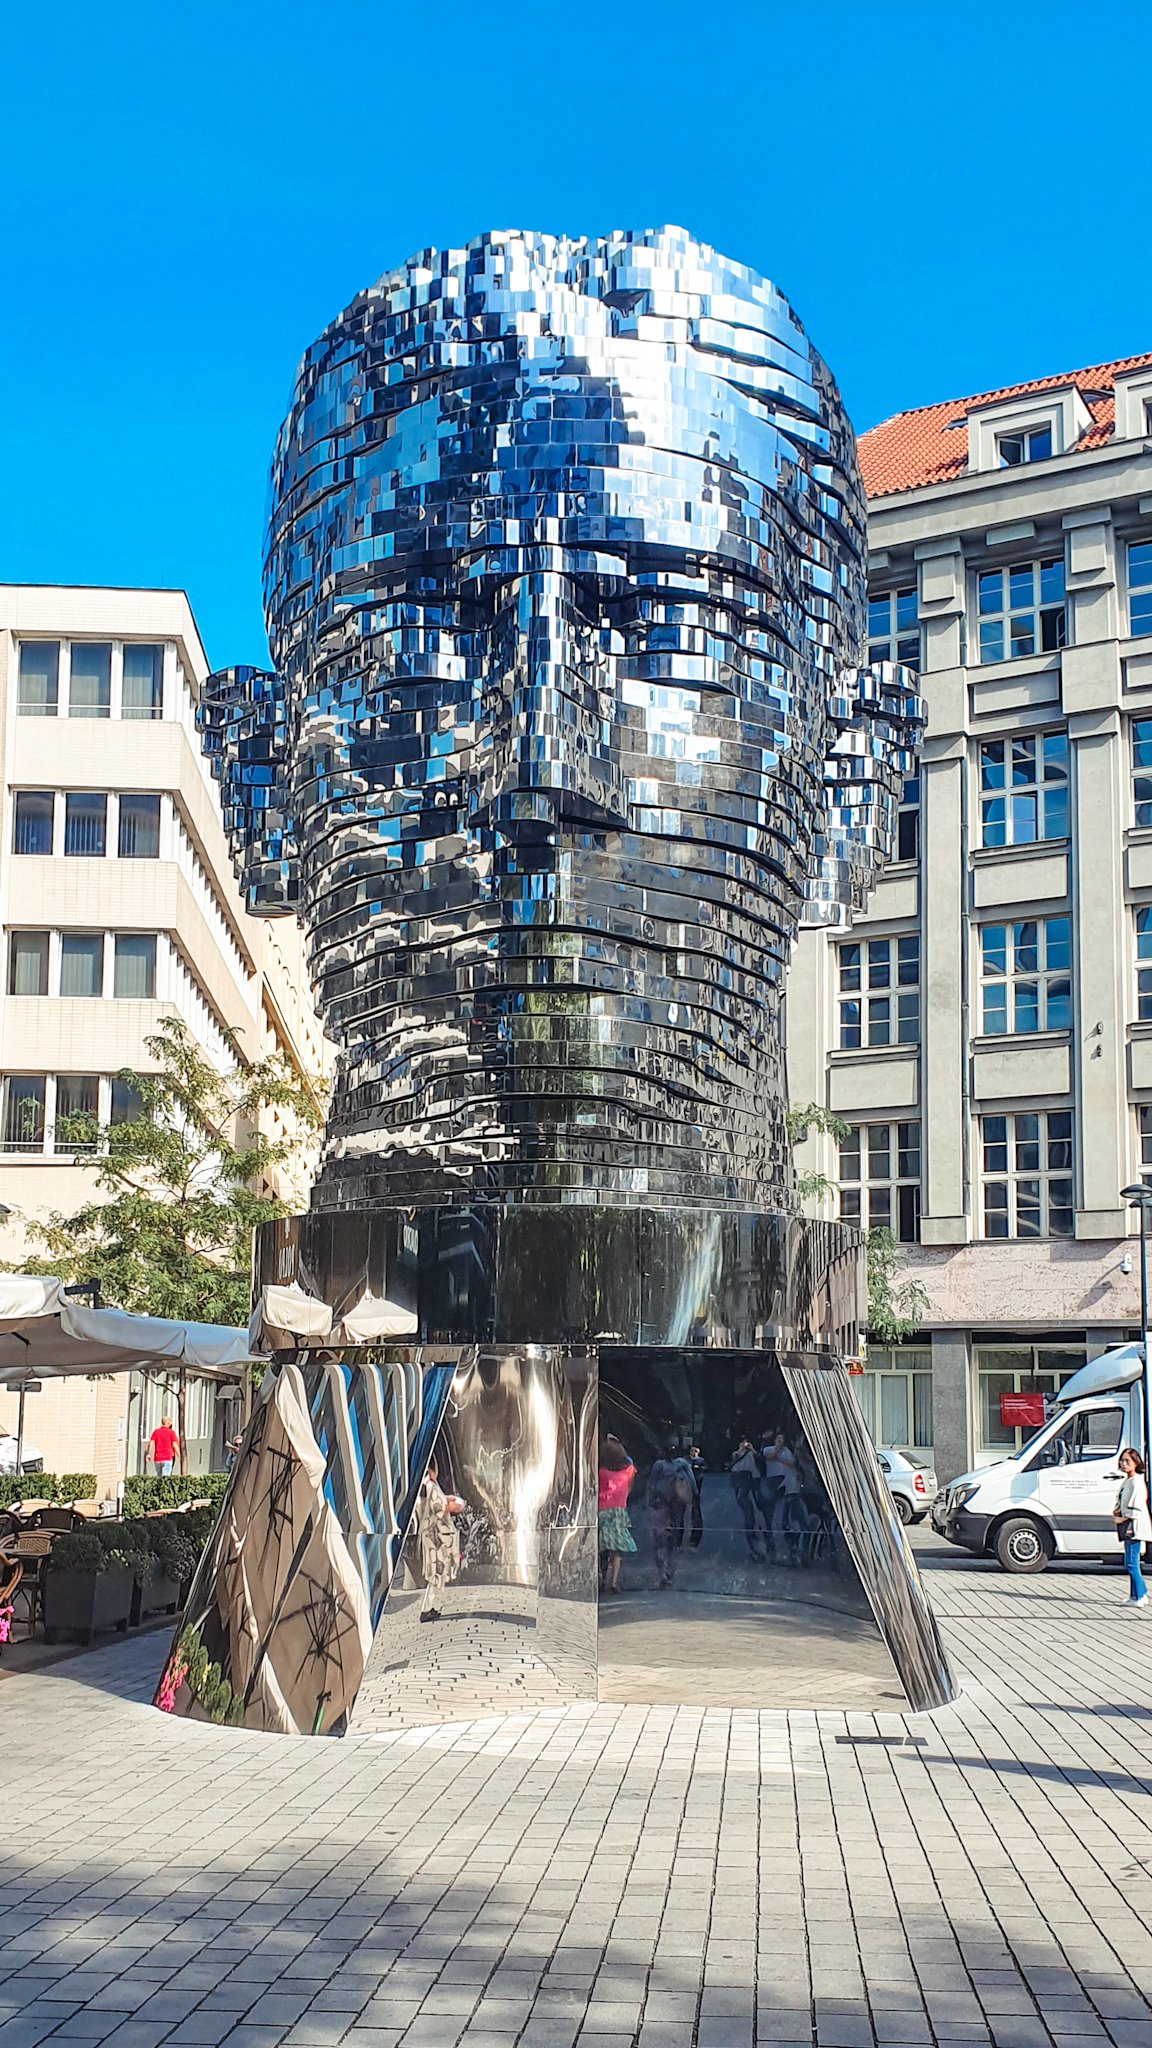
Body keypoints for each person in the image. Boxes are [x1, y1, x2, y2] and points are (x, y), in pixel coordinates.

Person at [416, 1458, 465, 1621]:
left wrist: (449, 1499)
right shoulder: (430, 1485)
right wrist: (455, 1506)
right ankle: (426, 1609)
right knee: (434, 1574)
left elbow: (440, 1501)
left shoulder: (430, 1484)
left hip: (434, 1536)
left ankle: (428, 1607)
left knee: (435, 1574)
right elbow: (439, 1508)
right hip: (434, 1537)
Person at [648, 1444, 695, 1586]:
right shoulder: (682, 1464)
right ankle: (668, 1571)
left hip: (662, 1503)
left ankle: (663, 1571)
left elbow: (652, 1483)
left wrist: (650, 1500)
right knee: (673, 1538)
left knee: (662, 1538)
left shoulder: (659, 1465)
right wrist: (694, 1498)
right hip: (676, 1504)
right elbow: (692, 1482)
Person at [1113, 1448, 1152, 1608]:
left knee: (1131, 1563)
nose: (1124, 1464)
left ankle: (1141, 1595)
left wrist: (1121, 1518)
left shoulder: (1137, 1482)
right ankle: (1134, 1595)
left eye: (1127, 1461)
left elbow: (1135, 1507)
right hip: (1128, 1526)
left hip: (1134, 1527)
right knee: (1129, 1562)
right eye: (1122, 1460)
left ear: (1136, 1463)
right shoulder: (1128, 1481)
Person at [597, 1435, 637, 1594]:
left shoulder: (601, 1471)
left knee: (600, 1547)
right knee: (616, 1550)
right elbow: (629, 1488)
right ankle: (613, 1582)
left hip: (601, 1509)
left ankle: (601, 1576)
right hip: (619, 1510)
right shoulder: (629, 1470)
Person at [729, 1438, 764, 1556]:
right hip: (741, 1483)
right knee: (748, 1511)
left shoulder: (751, 1454)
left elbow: (760, 1458)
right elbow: (735, 1457)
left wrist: (752, 1449)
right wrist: (741, 1449)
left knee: (755, 1511)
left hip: (752, 1482)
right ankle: (751, 1536)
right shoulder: (736, 1454)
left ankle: (754, 1536)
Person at [688, 1447, 706, 1549]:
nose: (693, 1453)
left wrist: (698, 1467)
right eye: (692, 1451)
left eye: (695, 1451)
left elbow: (704, 1467)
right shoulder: (687, 1460)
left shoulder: (700, 1460)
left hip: (698, 1478)